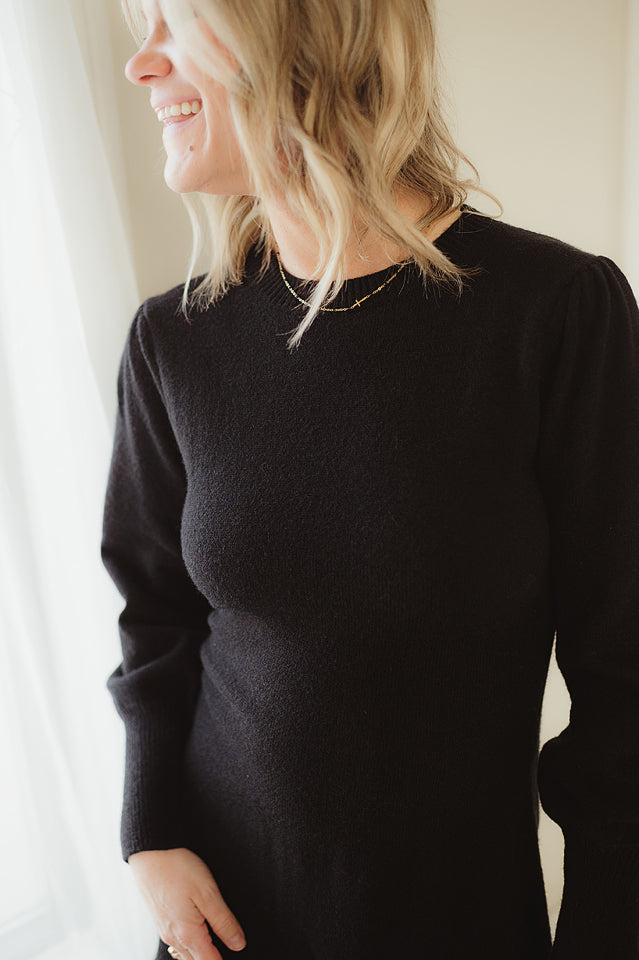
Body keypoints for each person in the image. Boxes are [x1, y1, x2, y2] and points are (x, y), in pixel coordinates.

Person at [100, 0, 639, 957]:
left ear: (303, 31)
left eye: (174, 22)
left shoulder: (555, 313)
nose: (141, 67)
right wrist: (150, 832)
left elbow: (623, 667)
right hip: (218, 922)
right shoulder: (172, 339)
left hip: (453, 921)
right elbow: (156, 609)